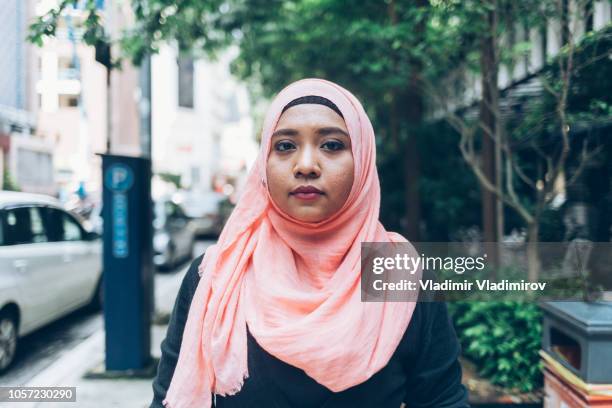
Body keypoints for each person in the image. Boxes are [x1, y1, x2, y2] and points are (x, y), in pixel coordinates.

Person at [150, 78, 469, 408]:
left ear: (361, 160)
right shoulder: (218, 276)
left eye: (331, 145)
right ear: (264, 163)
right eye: (285, 146)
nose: (305, 165)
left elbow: (442, 401)